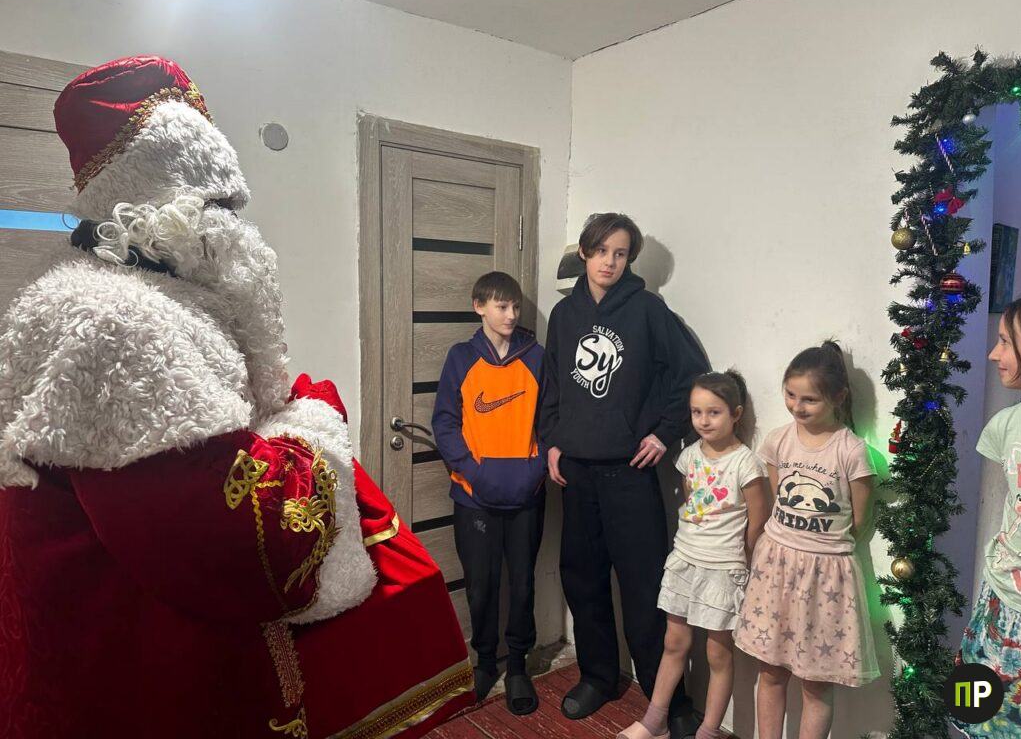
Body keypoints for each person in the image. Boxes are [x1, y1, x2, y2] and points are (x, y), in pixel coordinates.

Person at [0, 55, 473, 739]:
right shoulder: (116, 321)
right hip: (139, 673)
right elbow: (238, 549)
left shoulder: (140, 296)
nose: (237, 229)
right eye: (216, 205)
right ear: (163, 202)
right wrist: (312, 422)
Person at [539, 212, 709, 737]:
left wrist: (663, 432)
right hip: (577, 473)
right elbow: (551, 386)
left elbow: (690, 377)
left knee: (645, 588)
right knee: (583, 579)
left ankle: (668, 697)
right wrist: (551, 442)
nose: (609, 262)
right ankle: (597, 676)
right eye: (600, 251)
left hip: (630, 473)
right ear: (584, 253)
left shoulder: (648, 311)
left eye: (619, 253)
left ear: (629, 259)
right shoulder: (564, 316)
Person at [734, 340, 879, 739]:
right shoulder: (778, 440)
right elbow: (777, 496)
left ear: (838, 397)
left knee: (816, 684)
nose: (797, 406)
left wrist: (820, 548)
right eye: (791, 395)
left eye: (810, 399)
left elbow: (860, 519)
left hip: (827, 579)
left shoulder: (852, 451)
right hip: (776, 568)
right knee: (771, 671)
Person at [618, 371, 770, 739]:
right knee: (674, 643)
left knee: (718, 654)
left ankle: (709, 730)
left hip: (723, 569)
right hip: (685, 561)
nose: (703, 420)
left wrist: (745, 561)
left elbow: (758, 520)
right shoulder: (688, 456)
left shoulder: (746, 463)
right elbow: (691, 504)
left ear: (735, 413)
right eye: (696, 412)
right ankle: (655, 721)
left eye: (713, 412)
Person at [432, 271, 548, 714]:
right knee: (480, 585)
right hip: (473, 496)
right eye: (502, 306)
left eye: (515, 306)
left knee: (522, 583)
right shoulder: (461, 357)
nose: (511, 315)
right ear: (479, 306)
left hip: (526, 494)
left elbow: (551, 421)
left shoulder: (536, 357)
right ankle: (484, 663)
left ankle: (517, 666)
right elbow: (445, 421)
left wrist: (536, 469)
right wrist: (471, 471)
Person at [952, 297, 1021, 737]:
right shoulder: (1006, 425)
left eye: (1005, 341)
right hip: (997, 604)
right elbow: (1003, 511)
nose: (994, 354)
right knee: (977, 717)